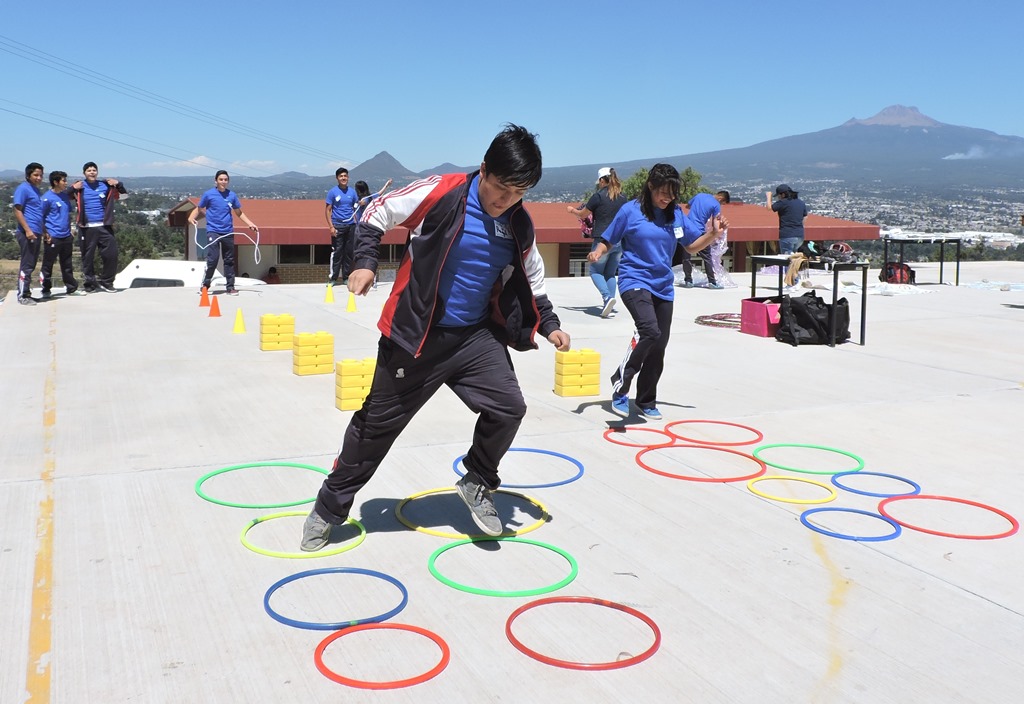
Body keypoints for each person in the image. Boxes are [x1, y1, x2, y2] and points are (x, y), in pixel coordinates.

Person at [301, 124, 571, 551]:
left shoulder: (518, 223)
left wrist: (550, 323)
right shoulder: (443, 192)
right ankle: (328, 509)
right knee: (374, 430)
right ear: (483, 169)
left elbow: (532, 276)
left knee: (509, 408)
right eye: (500, 189)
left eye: (517, 194)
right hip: (415, 336)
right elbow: (375, 213)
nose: (505, 201)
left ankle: (478, 481)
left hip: (474, 338)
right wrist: (366, 261)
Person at [589, 163, 726, 420]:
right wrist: (599, 251)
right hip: (634, 280)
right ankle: (622, 380)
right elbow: (609, 238)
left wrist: (713, 234)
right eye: (663, 192)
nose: (668, 198)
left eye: (672, 193)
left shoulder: (675, 214)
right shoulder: (630, 211)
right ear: (650, 186)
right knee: (649, 330)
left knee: (658, 345)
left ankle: (645, 400)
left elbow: (692, 247)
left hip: (663, 285)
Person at [567, 167, 627, 317]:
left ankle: (607, 297)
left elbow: (583, 214)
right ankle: (610, 301)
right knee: (610, 273)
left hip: (602, 240)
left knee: (594, 271)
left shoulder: (598, 197)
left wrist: (572, 211)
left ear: (602, 180)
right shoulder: (623, 197)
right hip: (619, 241)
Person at [188, 170, 259, 295]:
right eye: (221, 179)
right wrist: (190, 218)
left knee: (229, 260)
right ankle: (205, 285)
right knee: (213, 259)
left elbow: (239, 213)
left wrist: (250, 224)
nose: (223, 182)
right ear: (216, 181)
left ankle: (230, 287)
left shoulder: (231, 195)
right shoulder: (209, 194)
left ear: (228, 181)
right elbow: (199, 208)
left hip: (228, 232)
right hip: (213, 231)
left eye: (225, 179)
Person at [70, 161, 126, 293]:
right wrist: (73, 188)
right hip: (87, 227)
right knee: (87, 257)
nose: (92, 172)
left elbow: (124, 196)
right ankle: (90, 284)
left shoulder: (105, 185)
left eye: (94, 170)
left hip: (104, 226)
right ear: (84, 173)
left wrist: (118, 184)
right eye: (89, 170)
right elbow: (65, 195)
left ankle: (107, 282)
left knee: (111, 255)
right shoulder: (80, 187)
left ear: (97, 172)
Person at [39, 171, 83, 297]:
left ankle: (71, 288)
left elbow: (67, 214)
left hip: (66, 236)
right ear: (55, 182)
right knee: (48, 264)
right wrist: (45, 234)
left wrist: (71, 230)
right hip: (53, 237)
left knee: (67, 263)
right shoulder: (46, 198)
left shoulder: (64, 196)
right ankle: (46, 289)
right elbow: (39, 217)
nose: (66, 183)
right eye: (63, 181)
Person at [681, 190, 731, 289]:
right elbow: (715, 224)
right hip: (699, 231)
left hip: (687, 228)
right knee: (707, 257)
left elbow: (688, 206)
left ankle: (688, 280)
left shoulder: (700, 195)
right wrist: (715, 234)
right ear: (721, 198)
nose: (721, 204)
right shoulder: (716, 205)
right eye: (722, 203)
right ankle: (712, 282)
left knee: (686, 256)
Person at [13, 162, 45, 305]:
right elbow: (17, 210)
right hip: (28, 233)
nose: (39, 178)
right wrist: (27, 230)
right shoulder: (23, 189)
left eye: (40, 175)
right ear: (28, 175)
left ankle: (26, 292)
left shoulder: (35, 190)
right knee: (26, 265)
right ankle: (22, 295)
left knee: (30, 264)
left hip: (36, 232)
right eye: (36, 175)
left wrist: (44, 231)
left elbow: (37, 213)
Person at [324, 167, 359, 285]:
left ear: (348, 178)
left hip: (351, 226)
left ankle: (346, 277)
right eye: (341, 176)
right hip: (338, 226)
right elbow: (328, 210)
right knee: (337, 252)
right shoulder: (332, 192)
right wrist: (331, 227)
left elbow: (356, 207)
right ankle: (333, 278)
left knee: (349, 252)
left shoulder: (352, 192)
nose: (343, 178)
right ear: (337, 178)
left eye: (345, 176)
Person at [771, 184, 808, 254]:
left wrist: (768, 196)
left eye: (778, 196)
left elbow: (770, 208)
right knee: (795, 258)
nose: (778, 198)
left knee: (787, 258)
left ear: (783, 195)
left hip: (787, 235)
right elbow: (805, 216)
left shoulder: (783, 202)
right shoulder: (801, 203)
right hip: (800, 235)